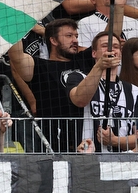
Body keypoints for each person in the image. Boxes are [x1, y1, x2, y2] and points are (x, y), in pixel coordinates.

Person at [8, 17, 98, 152]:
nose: (75, 40)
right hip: (53, 145)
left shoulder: (83, 60)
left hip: (88, 142)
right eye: (69, 36)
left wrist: (118, 4)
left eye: (76, 36)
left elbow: (107, 41)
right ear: (53, 40)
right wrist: (13, 20)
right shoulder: (40, 66)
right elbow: (17, 57)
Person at [72, 32, 138, 152]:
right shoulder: (78, 77)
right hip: (88, 157)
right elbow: (79, 100)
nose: (111, 50)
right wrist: (100, 66)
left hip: (123, 163)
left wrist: (114, 141)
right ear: (94, 53)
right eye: (105, 46)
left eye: (116, 47)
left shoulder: (133, 91)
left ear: (120, 54)